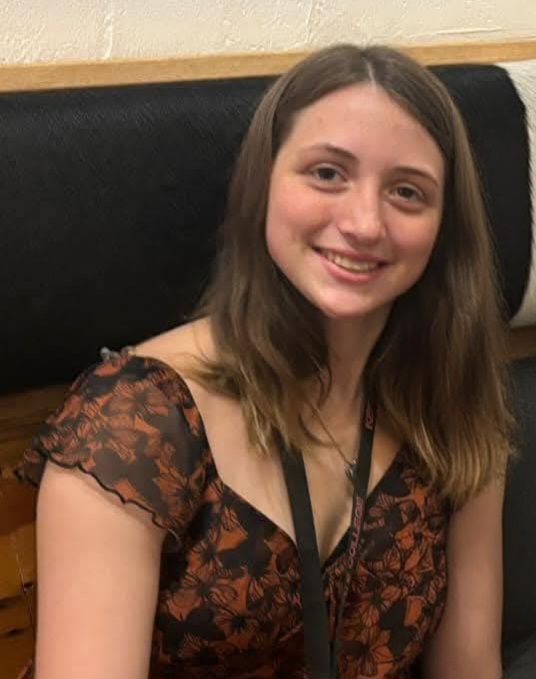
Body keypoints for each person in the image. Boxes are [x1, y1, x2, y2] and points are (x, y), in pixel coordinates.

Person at [17, 44, 512, 679]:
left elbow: (470, 666)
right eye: (327, 173)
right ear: (263, 185)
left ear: (444, 228)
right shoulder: (135, 422)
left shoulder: (452, 401)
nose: (365, 223)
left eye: (407, 192)